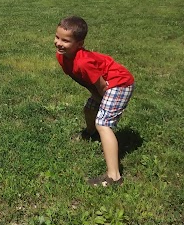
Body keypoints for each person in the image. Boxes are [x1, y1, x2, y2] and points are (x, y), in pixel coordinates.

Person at [54, 16, 135, 187]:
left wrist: (102, 99)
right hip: (104, 85)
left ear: (79, 44)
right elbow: (83, 80)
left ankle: (114, 177)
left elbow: (101, 85)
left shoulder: (83, 62)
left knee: (103, 123)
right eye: (57, 37)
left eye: (66, 40)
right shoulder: (62, 57)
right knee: (89, 109)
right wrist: (95, 98)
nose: (59, 43)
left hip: (118, 83)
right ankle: (92, 133)